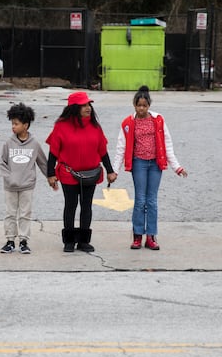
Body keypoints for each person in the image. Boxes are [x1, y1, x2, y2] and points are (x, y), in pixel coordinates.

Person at [110, 85, 188, 250]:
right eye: (139, 105)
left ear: (149, 105)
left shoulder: (158, 120)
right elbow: (120, 148)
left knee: (152, 201)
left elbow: (167, 145)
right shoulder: (128, 123)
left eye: (145, 105)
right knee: (140, 200)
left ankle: (151, 236)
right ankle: (137, 235)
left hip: (155, 164)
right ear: (134, 105)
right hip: (139, 163)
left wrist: (177, 167)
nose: (142, 109)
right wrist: (114, 170)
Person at [46, 91, 116, 252]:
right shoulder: (61, 127)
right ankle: (69, 242)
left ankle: (84, 241)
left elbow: (103, 151)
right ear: (74, 108)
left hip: (91, 174)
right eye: (83, 105)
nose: (88, 108)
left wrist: (110, 171)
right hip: (68, 173)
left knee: (86, 206)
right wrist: (50, 174)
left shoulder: (95, 127)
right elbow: (53, 153)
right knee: (70, 206)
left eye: (88, 104)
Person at [0, 102, 50, 254]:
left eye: (16, 124)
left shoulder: (34, 144)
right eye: (12, 123)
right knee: (10, 213)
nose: (13, 127)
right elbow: (2, 163)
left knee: (25, 213)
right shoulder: (8, 143)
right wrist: (9, 178)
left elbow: (42, 162)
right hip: (10, 186)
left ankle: (23, 240)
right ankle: (9, 240)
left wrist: (51, 177)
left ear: (26, 125)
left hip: (27, 185)